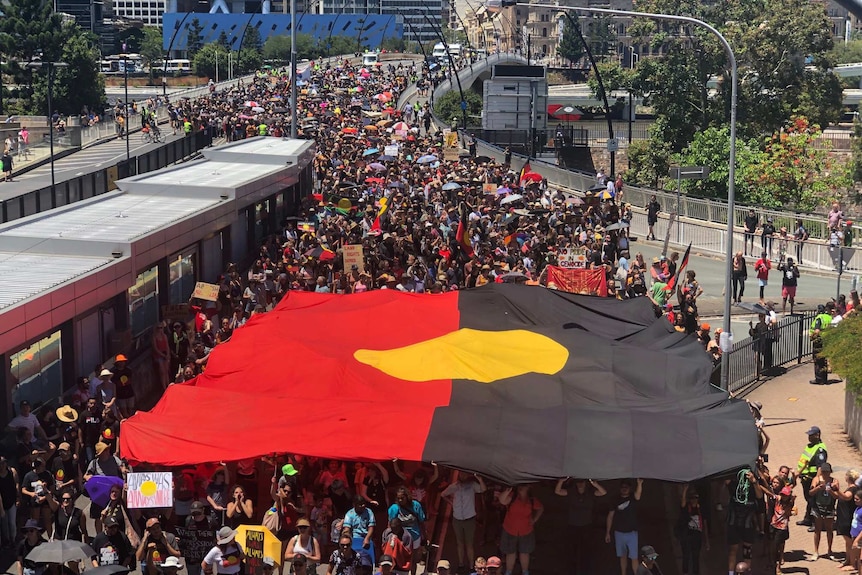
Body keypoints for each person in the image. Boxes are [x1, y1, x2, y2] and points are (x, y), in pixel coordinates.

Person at [554, 478, 606, 575]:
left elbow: (603, 492)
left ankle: (585, 572)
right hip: (573, 526)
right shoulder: (571, 492)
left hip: (586, 526)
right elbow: (557, 491)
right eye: (578, 482)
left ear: (586, 483)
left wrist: (595, 484)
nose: (580, 484)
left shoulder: (590, 493)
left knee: (586, 552)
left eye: (582, 482)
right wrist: (561, 481)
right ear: (576, 483)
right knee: (572, 551)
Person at [441, 471, 486, 572]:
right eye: (461, 474)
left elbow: (483, 489)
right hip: (457, 518)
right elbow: (443, 494)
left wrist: (480, 479)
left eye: (465, 474)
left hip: (469, 518)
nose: (463, 476)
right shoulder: (454, 486)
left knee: (469, 544)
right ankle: (461, 564)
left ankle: (471, 566)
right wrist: (451, 503)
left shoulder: (472, 485)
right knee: (460, 543)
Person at [498, 485, 543, 575]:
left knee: (525, 553)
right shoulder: (512, 496)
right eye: (520, 485)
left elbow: (540, 508)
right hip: (510, 529)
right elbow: (502, 501)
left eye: (524, 485)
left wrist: (534, 519)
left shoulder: (531, 499)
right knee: (510, 553)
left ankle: (525, 572)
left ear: (529, 487)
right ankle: (509, 572)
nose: (521, 487)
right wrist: (507, 491)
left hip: (526, 530)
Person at [726, 468, 761, 574]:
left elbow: (759, 496)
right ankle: (731, 573)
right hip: (734, 522)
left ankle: (746, 571)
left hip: (747, 523)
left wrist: (754, 481)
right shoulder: (734, 484)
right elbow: (726, 481)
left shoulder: (752, 487)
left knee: (747, 550)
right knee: (733, 549)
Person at [606, 479, 644, 575]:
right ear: (620, 488)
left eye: (626, 487)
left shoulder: (632, 498)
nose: (624, 489)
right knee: (622, 556)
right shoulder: (615, 500)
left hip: (632, 533)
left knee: (634, 557)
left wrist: (639, 484)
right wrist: (607, 532)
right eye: (622, 487)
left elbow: (638, 495)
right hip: (619, 533)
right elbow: (610, 516)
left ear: (630, 488)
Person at [387, 487, 425, 575]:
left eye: (402, 498)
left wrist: (424, 537)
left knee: (413, 559)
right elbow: (390, 524)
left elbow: (421, 522)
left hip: (415, 536)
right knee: (399, 558)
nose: (400, 500)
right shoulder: (394, 508)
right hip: (401, 538)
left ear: (407, 497)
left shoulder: (416, 505)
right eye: (398, 498)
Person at [797, 425, 828, 528]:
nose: (809, 437)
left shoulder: (820, 449)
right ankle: (808, 519)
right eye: (809, 435)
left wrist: (816, 480)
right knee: (809, 499)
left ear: (817, 435)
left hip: (812, 477)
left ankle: (816, 523)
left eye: (811, 435)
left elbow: (820, 467)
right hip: (805, 477)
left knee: (814, 500)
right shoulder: (810, 446)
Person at [809, 461, 839, 560]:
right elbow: (811, 493)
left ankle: (829, 550)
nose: (825, 473)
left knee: (829, 529)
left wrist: (830, 490)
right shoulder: (816, 479)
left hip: (829, 507)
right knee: (817, 529)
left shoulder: (834, 481)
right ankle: (816, 551)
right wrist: (818, 488)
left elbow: (837, 496)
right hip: (818, 507)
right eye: (824, 471)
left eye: (827, 471)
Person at [676, 485, 708, 575]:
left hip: (697, 536)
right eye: (692, 498)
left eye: (696, 497)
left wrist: (707, 540)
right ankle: (685, 572)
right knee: (686, 555)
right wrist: (685, 490)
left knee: (696, 557)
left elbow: (704, 524)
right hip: (686, 535)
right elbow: (682, 503)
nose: (694, 500)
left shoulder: (701, 509)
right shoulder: (686, 507)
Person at [344, 495, 375, 563]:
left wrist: (367, 538)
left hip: (367, 537)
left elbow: (371, 527)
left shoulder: (369, 512)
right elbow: (347, 529)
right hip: (354, 538)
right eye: (360, 504)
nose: (363, 505)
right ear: (354, 505)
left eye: (364, 503)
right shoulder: (349, 514)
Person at [809, 305, 833, 385]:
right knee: (824, 360)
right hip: (827, 339)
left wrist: (812, 337)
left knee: (818, 360)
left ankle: (819, 379)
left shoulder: (819, 318)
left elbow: (817, 331)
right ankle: (824, 378)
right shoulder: (829, 317)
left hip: (819, 340)